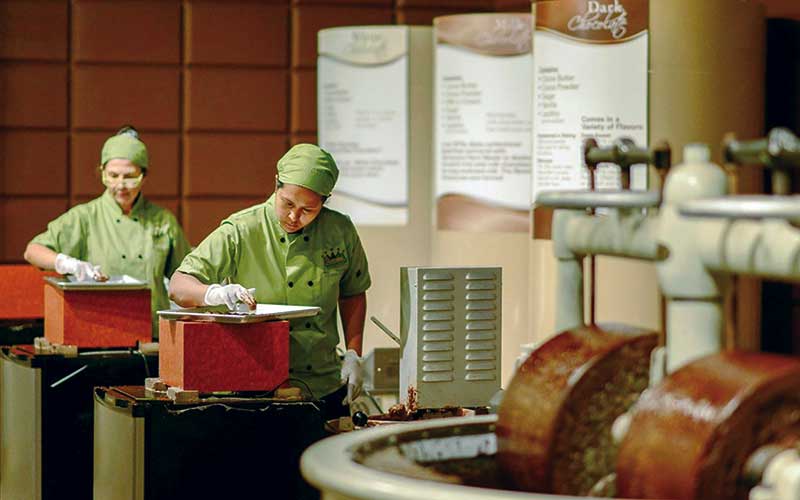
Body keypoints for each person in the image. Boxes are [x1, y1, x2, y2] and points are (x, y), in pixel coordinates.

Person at [169, 144, 370, 419]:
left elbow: (353, 293)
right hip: (255, 388)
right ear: (275, 184)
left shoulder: (340, 231)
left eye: (308, 210)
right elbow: (179, 285)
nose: (293, 217)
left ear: (325, 202)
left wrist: (353, 354)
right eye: (287, 204)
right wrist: (214, 294)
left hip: (323, 383)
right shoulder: (242, 229)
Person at [24, 126, 191, 338]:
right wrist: (68, 263)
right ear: (102, 173)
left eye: (130, 177)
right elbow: (33, 250)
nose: (121, 185)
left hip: (153, 337)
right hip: (98, 334)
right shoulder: (85, 217)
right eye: (113, 176)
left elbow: (186, 275)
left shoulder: (162, 221)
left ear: (144, 176)